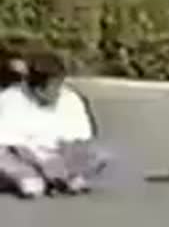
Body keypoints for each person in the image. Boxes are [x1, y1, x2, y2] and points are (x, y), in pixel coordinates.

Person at [0, 50, 110, 199]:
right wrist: (42, 166)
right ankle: (29, 179)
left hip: (58, 156)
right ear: (34, 86)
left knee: (100, 154)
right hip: (23, 156)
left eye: (58, 85)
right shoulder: (10, 100)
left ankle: (64, 178)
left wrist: (61, 165)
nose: (55, 92)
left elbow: (78, 140)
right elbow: (13, 145)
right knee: (12, 167)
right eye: (49, 87)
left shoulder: (71, 99)